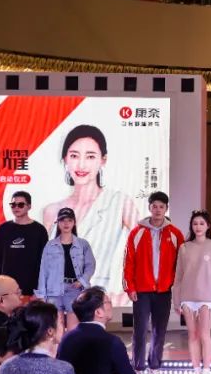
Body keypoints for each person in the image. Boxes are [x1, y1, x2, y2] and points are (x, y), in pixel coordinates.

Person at [42, 125, 140, 303]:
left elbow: (144, 250)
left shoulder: (119, 202)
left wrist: (125, 292)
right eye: (74, 156)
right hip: (59, 297)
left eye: (90, 156)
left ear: (103, 160)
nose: (81, 164)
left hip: (100, 297)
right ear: (65, 159)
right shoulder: (52, 210)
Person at [122, 191, 184, 374]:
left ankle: (155, 368)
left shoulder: (175, 234)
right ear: (149, 208)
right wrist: (130, 287)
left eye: (161, 207)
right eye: (154, 206)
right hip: (141, 290)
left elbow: (181, 264)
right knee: (140, 330)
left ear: (166, 209)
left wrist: (177, 288)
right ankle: (139, 369)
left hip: (164, 291)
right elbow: (128, 261)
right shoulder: (137, 232)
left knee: (160, 330)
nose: (157, 210)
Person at [171, 210, 211, 374]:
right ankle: (195, 373)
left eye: (202, 223)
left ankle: (206, 373)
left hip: (207, 298)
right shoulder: (184, 248)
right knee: (193, 335)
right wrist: (176, 300)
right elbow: (178, 277)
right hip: (187, 298)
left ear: (208, 226)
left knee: (204, 335)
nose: (198, 227)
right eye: (195, 223)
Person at [35, 207, 96, 331]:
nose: (66, 223)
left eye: (69, 220)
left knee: (73, 328)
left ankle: (70, 345)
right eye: (62, 220)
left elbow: (90, 265)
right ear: (58, 223)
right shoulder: (50, 245)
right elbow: (43, 271)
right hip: (53, 290)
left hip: (74, 289)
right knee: (57, 328)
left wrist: (82, 281)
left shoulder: (83, 244)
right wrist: (41, 295)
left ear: (74, 222)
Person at [0, 190, 50, 297]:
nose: (16, 207)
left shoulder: (39, 230)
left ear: (29, 206)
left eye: (21, 205)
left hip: (32, 290)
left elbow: (45, 261)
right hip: (6, 289)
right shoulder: (2, 230)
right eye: (13, 205)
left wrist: (40, 289)